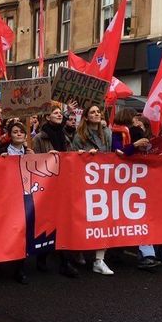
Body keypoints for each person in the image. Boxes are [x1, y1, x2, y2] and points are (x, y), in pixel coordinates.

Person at [121, 113, 162, 269]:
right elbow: (126, 154)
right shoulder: (154, 142)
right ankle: (148, 254)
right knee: (148, 219)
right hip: (152, 188)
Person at [32, 106, 79, 278]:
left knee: (63, 223)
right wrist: (47, 158)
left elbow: (71, 155)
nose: (59, 115)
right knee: (47, 223)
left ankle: (65, 263)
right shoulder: (39, 138)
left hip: (64, 184)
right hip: (47, 185)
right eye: (55, 113)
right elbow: (34, 161)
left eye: (60, 113)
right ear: (47, 116)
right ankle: (41, 257)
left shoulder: (65, 136)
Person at [72, 104, 114, 276]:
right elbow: (73, 158)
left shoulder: (108, 134)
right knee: (84, 219)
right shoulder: (79, 135)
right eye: (92, 112)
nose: (96, 114)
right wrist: (83, 155)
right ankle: (79, 250)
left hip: (103, 182)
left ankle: (99, 260)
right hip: (85, 183)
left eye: (98, 112)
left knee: (103, 220)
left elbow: (111, 154)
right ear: (87, 117)